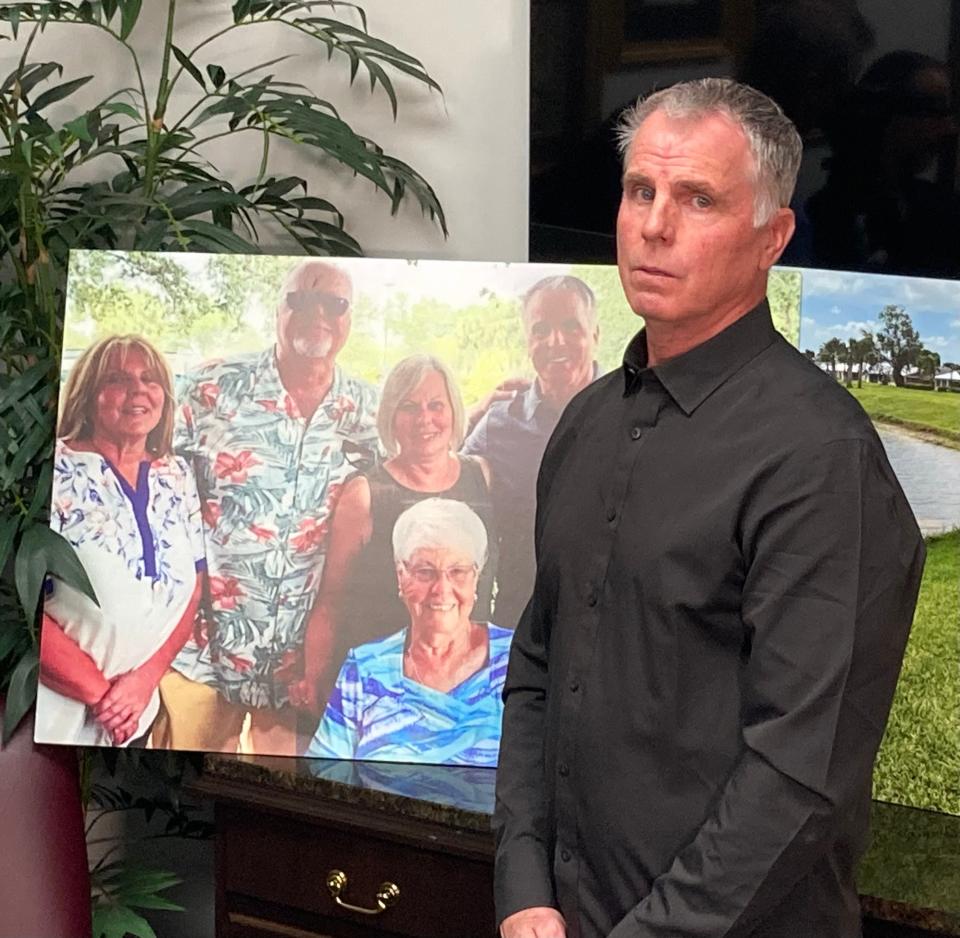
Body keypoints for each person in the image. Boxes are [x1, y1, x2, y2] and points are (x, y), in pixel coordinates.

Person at [493, 78, 925, 938]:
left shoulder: (819, 458)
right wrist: (523, 885)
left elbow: (800, 774)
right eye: (640, 191)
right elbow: (538, 671)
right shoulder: (584, 422)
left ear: (773, 237)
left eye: (698, 199)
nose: (654, 224)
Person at [158, 260, 379, 755]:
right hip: (202, 655)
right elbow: (143, 472)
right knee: (175, 798)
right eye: (299, 299)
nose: (316, 314)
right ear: (276, 309)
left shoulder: (369, 410)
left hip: (300, 669)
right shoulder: (208, 389)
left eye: (334, 304)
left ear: (350, 318)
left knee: (275, 818)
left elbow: (423, 461)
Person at [292, 354, 496, 715]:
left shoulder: (481, 476)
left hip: (471, 686)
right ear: (390, 416)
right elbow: (332, 599)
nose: (425, 419)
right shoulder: (365, 494)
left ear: (453, 410)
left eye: (436, 405)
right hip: (383, 690)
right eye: (409, 407)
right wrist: (314, 678)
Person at [36, 335, 205, 748]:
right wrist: (100, 695)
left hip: (137, 712)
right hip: (54, 716)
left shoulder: (177, 474)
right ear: (87, 395)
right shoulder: (51, 472)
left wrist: (145, 680)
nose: (138, 391)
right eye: (117, 379)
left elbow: (194, 587)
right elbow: (19, 608)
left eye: (150, 379)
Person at [306, 498, 511, 766]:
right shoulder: (365, 667)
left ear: (477, 577)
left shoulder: (515, 660)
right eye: (425, 572)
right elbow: (324, 777)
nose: (442, 589)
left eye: (458, 571)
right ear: (401, 575)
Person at [462, 277, 598, 629]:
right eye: (541, 330)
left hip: (610, 626)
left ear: (594, 334)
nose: (556, 342)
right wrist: (473, 414)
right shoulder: (497, 425)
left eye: (572, 326)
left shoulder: (634, 410)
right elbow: (436, 475)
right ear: (528, 342)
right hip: (521, 625)